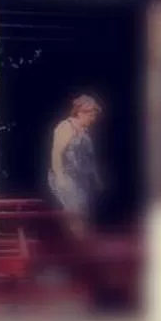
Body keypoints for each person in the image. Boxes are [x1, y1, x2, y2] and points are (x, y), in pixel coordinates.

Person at [49, 93, 104, 234]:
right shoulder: (66, 127)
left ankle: (82, 242)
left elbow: (88, 159)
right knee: (74, 212)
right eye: (91, 115)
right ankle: (79, 243)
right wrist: (60, 177)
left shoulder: (84, 132)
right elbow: (56, 153)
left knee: (84, 213)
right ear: (80, 112)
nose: (93, 119)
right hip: (67, 176)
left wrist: (95, 178)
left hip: (81, 179)